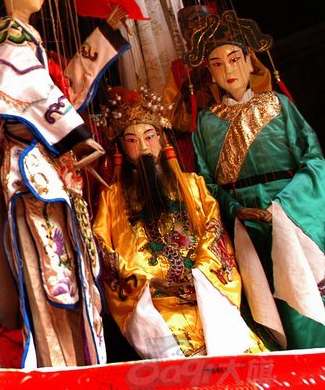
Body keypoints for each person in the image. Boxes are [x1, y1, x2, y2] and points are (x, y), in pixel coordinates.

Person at [0, 0, 128, 368]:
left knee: (72, 280)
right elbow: (35, 92)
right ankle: (61, 369)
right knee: (49, 281)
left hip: (51, 172)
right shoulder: (8, 40)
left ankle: (82, 366)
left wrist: (106, 34)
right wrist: (76, 137)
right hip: (31, 174)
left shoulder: (30, 41)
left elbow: (59, 91)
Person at [93, 87, 268, 358]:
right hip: (152, 303)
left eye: (149, 136)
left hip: (205, 294)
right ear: (121, 148)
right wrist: (149, 283)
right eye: (132, 140)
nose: (143, 147)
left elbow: (214, 231)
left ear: (162, 139)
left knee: (239, 352)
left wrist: (200, 275)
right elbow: (104, 251)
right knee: (178, 361)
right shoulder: (111, 197)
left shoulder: (193, 185)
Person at [187, 11, 325, 349]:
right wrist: (234, 209)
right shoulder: (205, 123)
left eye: (235, 59)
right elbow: (205, 182)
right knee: (261, 300)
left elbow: (314, 159)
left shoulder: (278, 105)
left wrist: (284, 206)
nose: (228, 70)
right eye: (217, 64)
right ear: (210, 73)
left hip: (289, 210)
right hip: (242, 222)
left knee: (302, 291)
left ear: (250, 63)